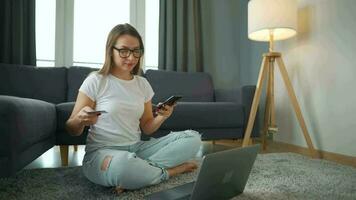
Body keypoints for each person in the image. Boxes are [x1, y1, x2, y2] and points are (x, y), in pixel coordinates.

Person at [65, 23, 202, 193]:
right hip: (102, 153)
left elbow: (147, 127)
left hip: (137, 149)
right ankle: (170, 171)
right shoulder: (96, 80)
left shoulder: (142, 84)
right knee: (123, 165)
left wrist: (162, 116)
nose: (131, 58)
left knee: (193, 138)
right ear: (110, 50)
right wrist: (80, 119)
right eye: (124, 51)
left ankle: (140, 173)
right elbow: (71, 128)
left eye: (136, 51)